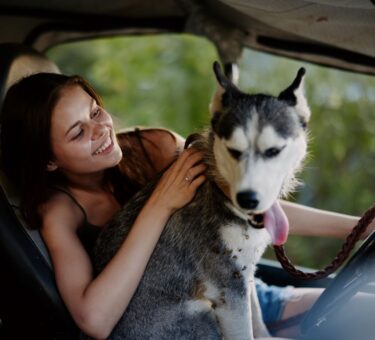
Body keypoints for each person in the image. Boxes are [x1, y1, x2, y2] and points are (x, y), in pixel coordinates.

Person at [1, 72, 373, 339]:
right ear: (48, 160)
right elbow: (94, 321)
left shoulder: (156, 147)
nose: (100, 130)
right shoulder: (59, 212)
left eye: (95, 112)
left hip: (246, 290)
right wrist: (159, 204)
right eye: (77, 132)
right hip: (181, 318)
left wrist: (360, 227)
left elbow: (250, 205)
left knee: (368, 313)